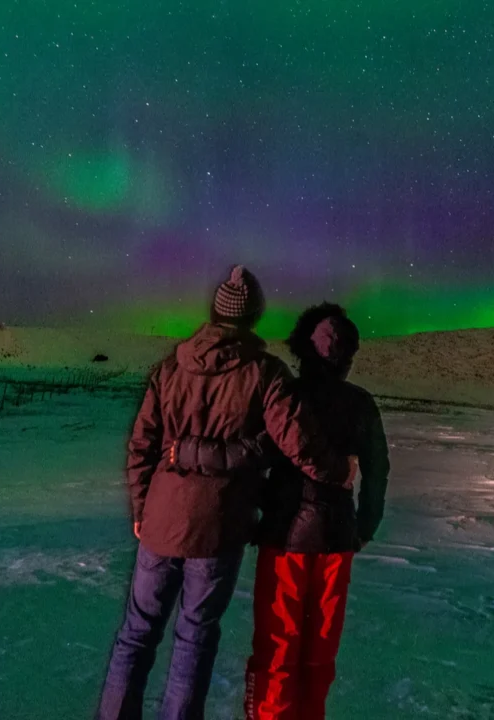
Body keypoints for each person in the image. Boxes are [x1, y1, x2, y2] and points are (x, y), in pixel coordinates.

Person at [97, 267, 353, 720]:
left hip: (160, 522)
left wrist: (141, 506)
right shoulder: (265, 374)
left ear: (214, 311)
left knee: (137, 631)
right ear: (253, 317)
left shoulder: (170, 368)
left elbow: (142, 445)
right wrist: (338, 472)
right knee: (194, 635)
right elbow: (297, 439)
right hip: (218, 527)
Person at [172, 303, 391, 720]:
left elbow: (253, 455)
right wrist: (365, 526)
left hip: (284, 537)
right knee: (319, 652)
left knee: (277, 646)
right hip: (336, 540)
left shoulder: (285, 395)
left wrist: (239, 501)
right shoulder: (360, 403)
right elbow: (378, 470)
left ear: (303, 347)